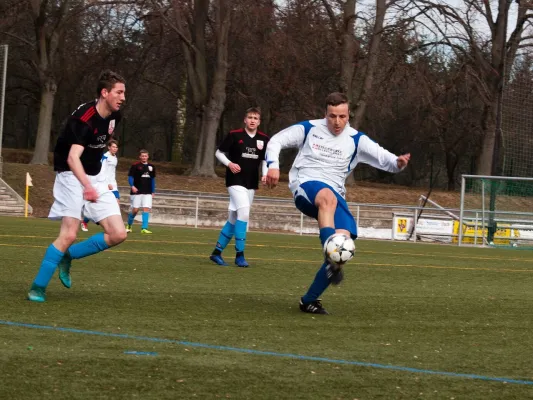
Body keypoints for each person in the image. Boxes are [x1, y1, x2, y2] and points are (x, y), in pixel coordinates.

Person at [265, 92, 410, 314]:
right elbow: (276, 140)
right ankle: (329, 254)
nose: (337, 122)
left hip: (335, 196)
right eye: (332, 116)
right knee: (327, 200)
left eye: (342, 116)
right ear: (325, 114)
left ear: (348, 115)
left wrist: (398, 163)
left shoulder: (356, 139)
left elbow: (385, 160)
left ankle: (309, 300)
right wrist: (273, 165)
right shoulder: (309, 129)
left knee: (344, 246)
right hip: (307, 185)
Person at [27, 70, 128, 302]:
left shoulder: (115, 117)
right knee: (69, 234)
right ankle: (37, 287)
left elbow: (98, 145)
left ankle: (68, 257)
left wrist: (96, 181)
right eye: (119, 92)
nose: (123, 97)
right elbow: (73, 158)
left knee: (118, 234)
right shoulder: (83, 119)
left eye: (124, 93)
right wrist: (87, 186)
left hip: (95, 176)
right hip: (71, 176)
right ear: (105, 93)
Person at [209, 107, 270, 267]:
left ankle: (216, 253)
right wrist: (229, 164)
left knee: (234, 218)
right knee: (244, 213)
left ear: (259, 121)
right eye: (249, 117)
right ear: (245, 119)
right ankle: (240, 255)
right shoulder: (234, 135)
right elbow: (218, 153)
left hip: (251, 183)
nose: (252, 120)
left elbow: (265, 160)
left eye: (255, 118)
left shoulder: (264, 139)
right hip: (235, 180)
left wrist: (265, 173)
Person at [81, 139, 120, 231]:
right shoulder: (105, 157)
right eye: (113, 147)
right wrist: (107, 183)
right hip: (106, 184)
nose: (115, 149)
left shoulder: (115, 158)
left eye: (116, 147)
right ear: (109, 147)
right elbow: (102, 171)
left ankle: (115, 226)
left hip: (113, 183)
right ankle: (85, 221)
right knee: (114, 203)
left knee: (116, 203)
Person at [125, 149, 156, 234]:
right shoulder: (135, 166)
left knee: (146, 209)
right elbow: (130, 177)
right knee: (135, 210)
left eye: (145, 156)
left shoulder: (151, 166)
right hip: (137, 191)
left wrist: (153, 191)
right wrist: (132, 186)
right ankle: (129, 225)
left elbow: (153, 179)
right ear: (140, 157)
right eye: (142, 156)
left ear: (148, 157)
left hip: (148, 191)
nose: (144, 157)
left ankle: (144, 228)